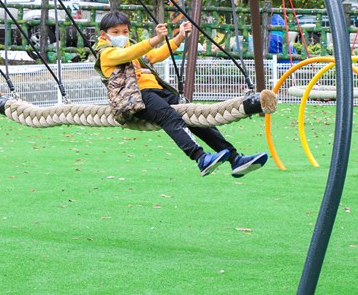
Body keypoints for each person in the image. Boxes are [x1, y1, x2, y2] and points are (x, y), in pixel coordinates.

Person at [95, 10, 268, 178]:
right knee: (170, 117)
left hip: (157, 92)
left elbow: (155, 55)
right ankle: (200, 158)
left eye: (125, 31)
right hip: (135, 97)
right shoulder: (107, 54)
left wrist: (179, 37)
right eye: (116, 32)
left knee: (196, 117)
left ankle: (235, 158)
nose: (122, 35)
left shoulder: (130, 47)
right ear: (104, 35)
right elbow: (127, 54)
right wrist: (155, 39)